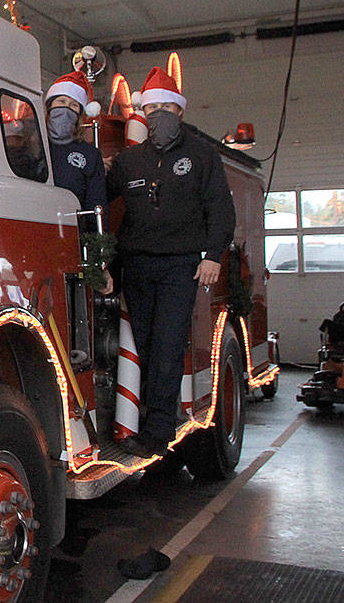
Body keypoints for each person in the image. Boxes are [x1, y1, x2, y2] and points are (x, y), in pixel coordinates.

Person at [105, 66, 235, 458]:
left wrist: (213, 255)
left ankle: (158, 432)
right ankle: (149, 419)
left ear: (180, 111)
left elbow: (221, 210)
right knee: (145, 346)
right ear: (142, 114)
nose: (158, 113)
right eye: (152, 107)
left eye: (166, 107)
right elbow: (100, 202)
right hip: (137, 267)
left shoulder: (200, 156)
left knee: (166, 347)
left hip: (181, 267)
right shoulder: (130, 162)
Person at [44, 70, 106, 211]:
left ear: (79, 114)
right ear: (49, 107)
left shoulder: (90, 154)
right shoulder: (34, 146)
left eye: (73, 105)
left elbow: (96, 202)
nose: (66, 108)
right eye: (61, 101)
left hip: (73, 227)